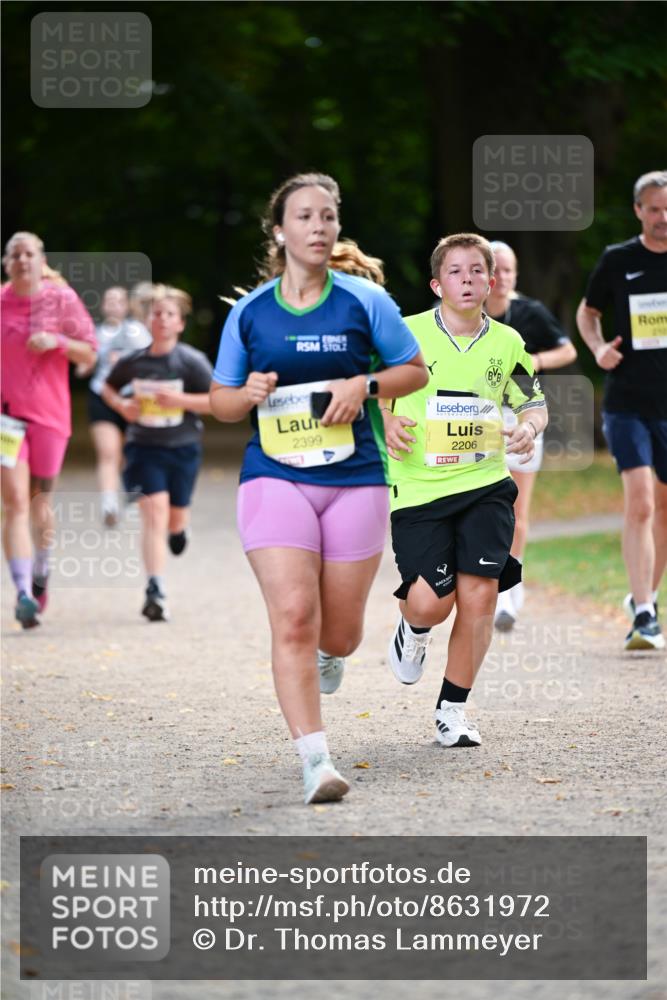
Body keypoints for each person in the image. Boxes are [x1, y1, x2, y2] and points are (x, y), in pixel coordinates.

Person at [209, 172, 427, 805]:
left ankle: (331, 657)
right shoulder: (251, 312)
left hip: (354, 478)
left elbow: (413, 369)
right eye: (305, 217)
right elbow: (221, 401)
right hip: (274, 477)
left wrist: (367, 386)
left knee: (341, 636)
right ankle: (316, 761)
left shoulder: (364, 302)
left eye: (328, 216)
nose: (318, 227)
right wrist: (243, 395)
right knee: (295, 617)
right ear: (280, 231)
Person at [382, 233, 547, 749]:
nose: (469, 279)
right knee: (432, 604)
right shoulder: (404, 336)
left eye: (478, 270)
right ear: (437, 283)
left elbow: (531, 402)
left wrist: (530, 427)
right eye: (456, 271)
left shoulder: (507, 342)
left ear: (491, 281)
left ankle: (453, 711)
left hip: (484, 484)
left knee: (479, 596)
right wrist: (384, 422)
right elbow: (370, 393)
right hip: (419, 488)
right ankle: (414, 628)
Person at [576, 170, 667, 651]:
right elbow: (587, 312)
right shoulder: (618, 260)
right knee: (642, 501)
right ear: (638, 210)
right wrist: (597, 349)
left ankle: (643, 600)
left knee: (664, 508)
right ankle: (647, 614)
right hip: (628, 400)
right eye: (654, 209)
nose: (663, 218)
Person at [1, 232, 97, 628]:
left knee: (40, 502)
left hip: (50, 417)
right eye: (15, 254)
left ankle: (41, 570)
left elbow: (90, 351)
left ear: (41, 260)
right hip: (6, 418)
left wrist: (57, 340)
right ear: (7, 263)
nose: (23, 260)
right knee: (15, 503)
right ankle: (22, 593)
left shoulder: (61, 300)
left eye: (30, 254)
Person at [102, 284, 212, 622]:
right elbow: (107, 388)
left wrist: (181, 402)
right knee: (154, 513)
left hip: (182, 449)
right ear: (147, 320)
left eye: (169, 314)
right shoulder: (133, 362)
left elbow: (216, 402)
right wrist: (122, 405)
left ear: (180, 323)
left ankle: (180, 531)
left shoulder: (191, 361)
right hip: (142, 448)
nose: (161, 319)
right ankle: (155, 588)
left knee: (174, 518)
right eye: (156, 314)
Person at [486, 241, 577, 630]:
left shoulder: (530, 313)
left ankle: (509, 590)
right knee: (484, 506)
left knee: (517, 510)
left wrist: (534, 360)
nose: (503, 278)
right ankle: (481, 582)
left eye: (510, 271)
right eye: (497, 271)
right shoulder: (466, 314)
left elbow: (567, 351)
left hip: (523, 416)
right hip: (478, 419)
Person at [78, 286, 151, 527]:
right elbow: (84, 366)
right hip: (101, 396)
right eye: (109, 300)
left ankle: (131, 494)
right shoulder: (95, 334)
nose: (113, 305)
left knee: (130, 454)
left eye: (119, 301)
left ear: (126, 306)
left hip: (132, 400)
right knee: (108, 453)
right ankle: (108, 504)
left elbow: (153, 363)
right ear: (103, 306)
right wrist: (83, 365)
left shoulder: (139, 332)